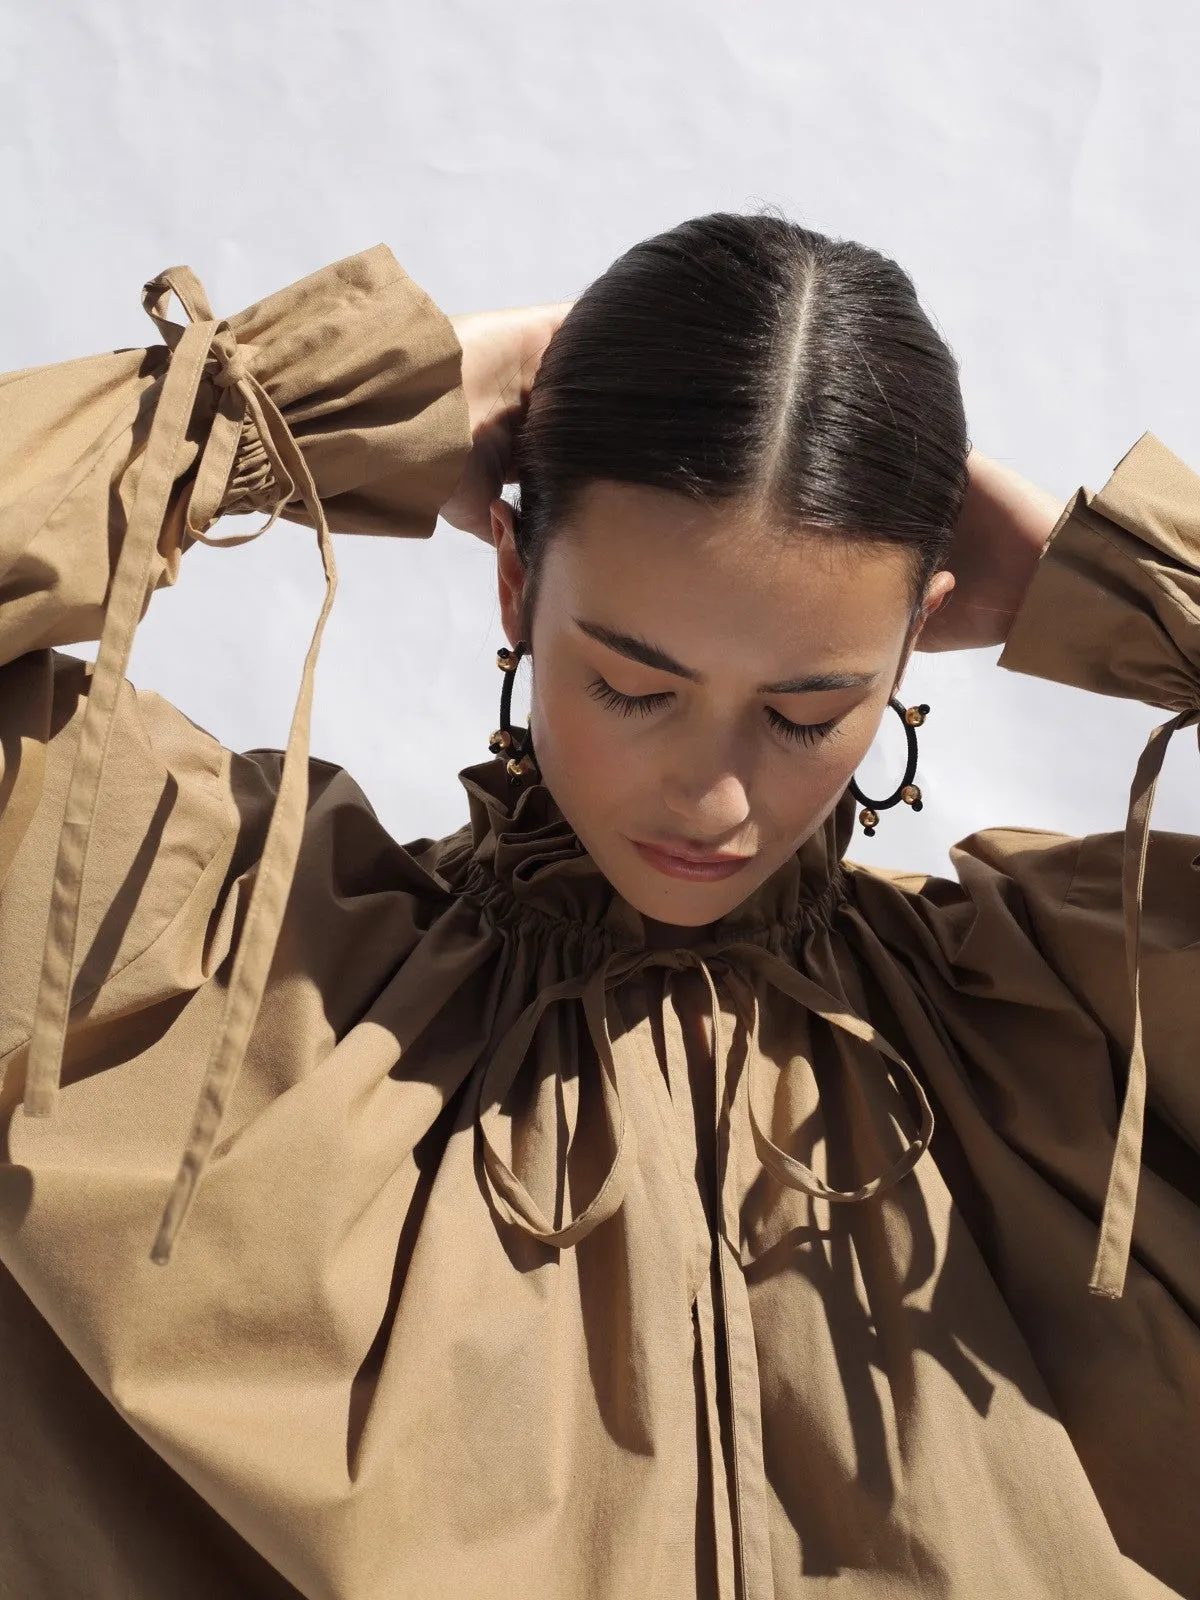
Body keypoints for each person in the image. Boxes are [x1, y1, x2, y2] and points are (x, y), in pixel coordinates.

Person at [0, 213, 1196, 1600]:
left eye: (812, 711)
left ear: (916, 637)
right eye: (634, 687)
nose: (716, 802)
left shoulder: (1071, 1028)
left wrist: (1108, 586)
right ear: (515, 577)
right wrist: (327, 397)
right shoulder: (236, 965)